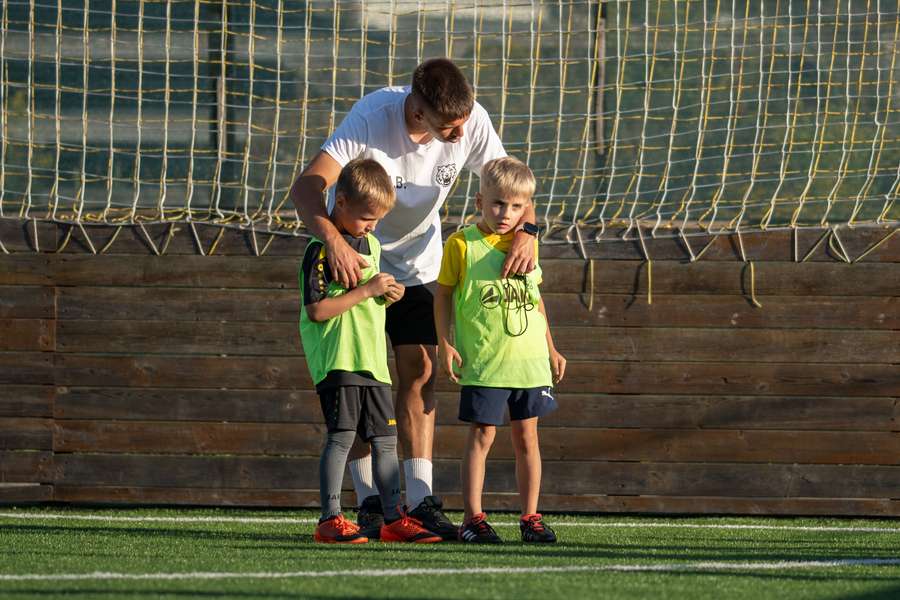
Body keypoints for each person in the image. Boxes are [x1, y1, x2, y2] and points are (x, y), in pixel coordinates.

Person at [290, 58, 539, 540]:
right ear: (418, 112)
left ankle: (419, 499)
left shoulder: (471, 120)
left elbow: (514, 183)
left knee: (420, 373)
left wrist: (529, 229)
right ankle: (368, 504)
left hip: (419, 267)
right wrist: (337, 244)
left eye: (464, 122)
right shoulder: (370, 116)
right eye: (451, 125)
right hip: (356, 262)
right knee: (355, 380)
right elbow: (305, 187)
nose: (461, 131)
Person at [300, 158, 442, 544]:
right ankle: (330, 518)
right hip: (339, 360)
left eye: (378, 219)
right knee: (342, 438)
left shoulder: (374, 245)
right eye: (366, 218)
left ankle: (394, 518)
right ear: (340, 202)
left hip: (372, 362)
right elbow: (317, 310)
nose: (372, 227)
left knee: (385, 442)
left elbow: (369, 300)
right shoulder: (320, 249)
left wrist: (388, 295)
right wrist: (367, 291)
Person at [433, 157, 566, 543]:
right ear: (479, 201)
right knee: (483, 435)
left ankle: (530, 518)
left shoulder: (528, 245)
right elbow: (442, 295)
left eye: (515, 206)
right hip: (487, 363)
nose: (505, 214)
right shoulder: (461, 244)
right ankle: (472, 519)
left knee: (528, 439)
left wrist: (551, 348)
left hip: (530, 364)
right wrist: (445, 342)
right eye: (497, 204)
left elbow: (535, 300)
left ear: (526, 209)